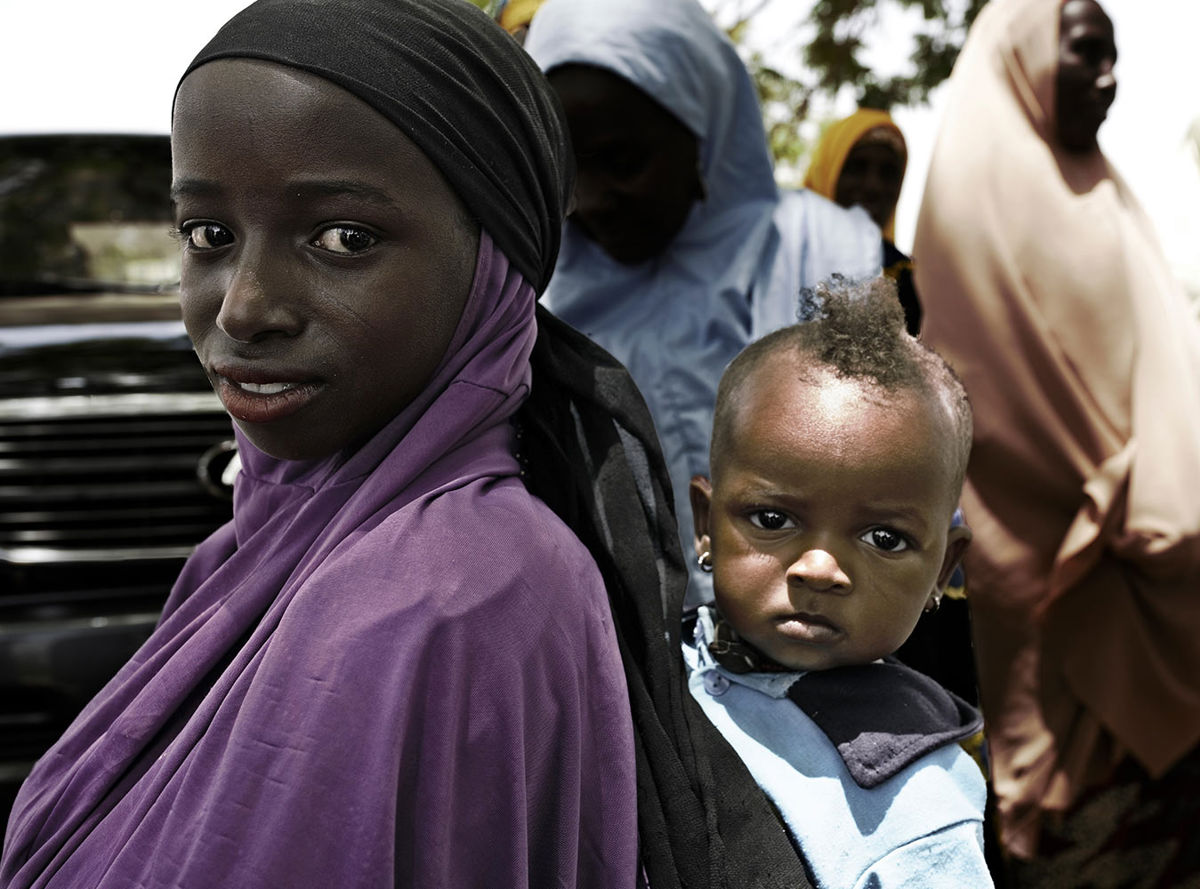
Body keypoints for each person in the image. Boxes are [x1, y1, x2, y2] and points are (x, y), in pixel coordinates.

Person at [0, 1, 639, 885]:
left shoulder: (438, 602)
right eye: (209, 235)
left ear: (495, 258)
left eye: (343, 238)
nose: (242, 306)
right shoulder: (265, 548)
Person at [914, 0, 1200, 884]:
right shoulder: (978, 195)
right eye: (1086, 54)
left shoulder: (1112, 195)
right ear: (1025, 54)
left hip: (1172, 588)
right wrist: (1149, 497)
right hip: (1052, 587)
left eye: (1115, 59)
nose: (1107, 80)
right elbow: (1004, 408)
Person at [522, 0, 882, 608]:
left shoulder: (820, 256)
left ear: (701, 130)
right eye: (570, 169)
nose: (591, 199)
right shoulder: (542, 305)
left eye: (623, 160)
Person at [684, 277, 992, 889]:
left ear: (943, 566)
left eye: (884, 538)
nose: (819, 570)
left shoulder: (919, 808)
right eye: (772, 521)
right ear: (706, 525)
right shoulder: (641, 659)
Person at [803, 109, 921, 335]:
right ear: (828, 172)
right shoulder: (778, 258)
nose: (873, 186)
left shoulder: (905, 279)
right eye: (857, 167)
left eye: (888, 173)